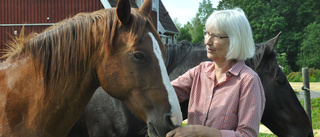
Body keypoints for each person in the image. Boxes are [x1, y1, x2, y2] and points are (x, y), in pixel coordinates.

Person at [166, 8, 265, 137]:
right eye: (207, 33)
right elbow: (165, 93)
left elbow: (248, 135)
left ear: (235, 40)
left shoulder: (248, 80)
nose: (207, 41)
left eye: (216, 36)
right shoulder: (200, 71)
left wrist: (203, 133)